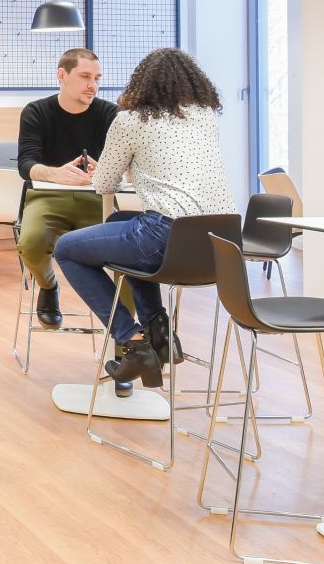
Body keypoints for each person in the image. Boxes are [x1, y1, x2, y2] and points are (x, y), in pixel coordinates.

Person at [52, 47, 234, 393]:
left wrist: (122, 168)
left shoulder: (131, 120)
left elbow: (103, 184)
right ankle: (158, 330)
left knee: (66, 249)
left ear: (142, 83)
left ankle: (133, 342)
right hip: (220, 245)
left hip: (167, 238)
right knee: (120, 220)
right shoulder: (206, 116)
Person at [16, 47, 117, 331]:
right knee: (31, 244)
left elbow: (128, 165)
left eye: (97, 78)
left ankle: (125, 336)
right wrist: (56, 173)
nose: (92, 85)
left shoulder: (111, 114)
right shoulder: (36, 111)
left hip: (98, 198)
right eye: (85, 76)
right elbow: (26, 164)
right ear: (62, 75)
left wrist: (105, 170)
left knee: (129, 254)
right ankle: (49, 286)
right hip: (48, 197)